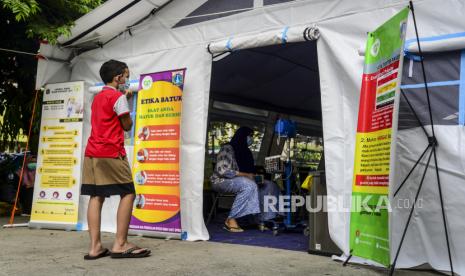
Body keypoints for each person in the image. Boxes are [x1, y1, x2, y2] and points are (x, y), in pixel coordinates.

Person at [81, 59, 150, 260]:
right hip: (111, 152)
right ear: (117, 77)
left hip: (92, 152)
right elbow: (127, 125)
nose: (127, 79)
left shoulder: (98, 98)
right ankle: (120, 244)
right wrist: (126, 100)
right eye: (126, 75)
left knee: (96, 196)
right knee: (128, 193)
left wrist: (122, 98)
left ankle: (95, 248)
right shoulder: (118, 98)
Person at [210, 126, 281, 232]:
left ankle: (263, 220)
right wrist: (247, 176)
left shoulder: (247, 152)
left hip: (242, 180)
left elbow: (249, 172)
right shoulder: (227, 148)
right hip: (221, 181)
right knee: (248, 185)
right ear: (242, 136)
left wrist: (256, 177)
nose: (251, 139)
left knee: (270, 185)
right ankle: (231, 219)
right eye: (250, 136)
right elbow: (223, 171)